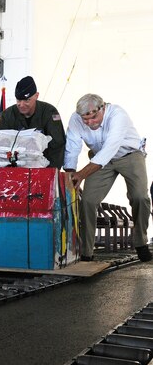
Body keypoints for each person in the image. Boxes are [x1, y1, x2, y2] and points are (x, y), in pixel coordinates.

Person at [63, 93, 152, 262]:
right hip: (99, 159)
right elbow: (72, 146)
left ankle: (141, 242)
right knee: (88, 201)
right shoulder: (76, 119)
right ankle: (86, 253)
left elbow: (109, 149)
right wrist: (70, 173)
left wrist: (81, 175)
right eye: (85, 119)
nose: (90, 123)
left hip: (129, 155)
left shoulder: (118, 115)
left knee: (139, 197)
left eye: (94, 117)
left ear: (102, 107)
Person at [0, 75, 66, 168]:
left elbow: (57, 147)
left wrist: (51, 172)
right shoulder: (7, 115)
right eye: (18, 100)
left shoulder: (49, 112)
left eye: (26, 100)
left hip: (42, 169)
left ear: (36, 96)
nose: (21, 104)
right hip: (12, 170)